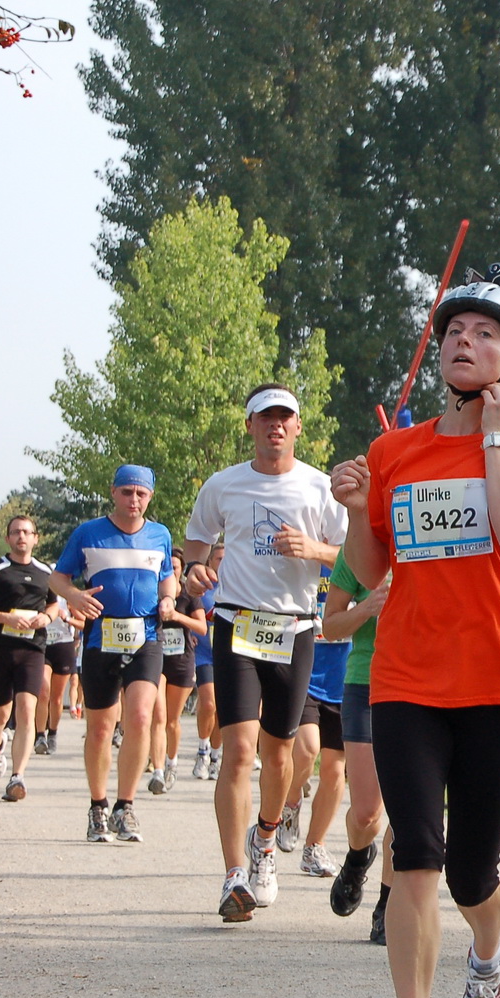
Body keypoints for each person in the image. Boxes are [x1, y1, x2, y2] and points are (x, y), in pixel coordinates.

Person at [330, 266, 500, 998]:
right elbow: (367, 566)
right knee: (415, 855)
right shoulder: (395, 448)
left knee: (472, 872)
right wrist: (357, 507)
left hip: (496, 680)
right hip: (405, 678)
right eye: (455, 332)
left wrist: (496, 438)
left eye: (486, 334)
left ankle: (490, 954)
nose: (464, 341)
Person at [182, 385, 346, 921]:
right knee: (238, 751)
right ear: (249, 425)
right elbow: (197, 552)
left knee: (283, 754)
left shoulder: (320, 487)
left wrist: (315, 550)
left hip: (295, 630)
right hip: (236, 625)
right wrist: (195, 573)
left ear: (299, 427)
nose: (275, 426)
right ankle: (233, 876)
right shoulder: (223, 485)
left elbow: (354, 560)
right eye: (265, 418)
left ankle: (266, 840)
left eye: (285, 418)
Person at [50, 467, 178, 840]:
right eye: (127, 492)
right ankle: (98, 805)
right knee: (102, 727)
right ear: (113, 493)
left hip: (146, 636)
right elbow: (57, 577)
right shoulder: (89, 533)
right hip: (100, 638)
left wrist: (168, 596)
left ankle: (126, 806)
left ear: (150, 497)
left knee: (139, 716)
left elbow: (167, 573)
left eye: (141, 493)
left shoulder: (160, 535)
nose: (133, 500)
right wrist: (73, 596)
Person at [0, 516, 65, 803]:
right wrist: (6, 617)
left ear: (36, 538)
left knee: (26, 708)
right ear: (8, 538)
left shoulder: (46, 571)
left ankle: (17, 777)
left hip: (32, 648)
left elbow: (54, 604)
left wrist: (47, 616)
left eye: (26, 532)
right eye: (15, 532)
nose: (21, 536)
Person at [322, 550, 392, 942]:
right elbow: (330, 626)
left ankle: (389, 904)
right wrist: (367, 608)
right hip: (366, 680)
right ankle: (357, 856)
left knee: (408, 810)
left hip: (421, 684)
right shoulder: (357, 551)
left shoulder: (434, 539)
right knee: (367, 812)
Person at [279, 585, 352, 879]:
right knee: (307, 750)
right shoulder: (308, 561)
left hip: (345, 679)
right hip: (305, 674)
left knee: (335, 772)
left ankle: (314, 847)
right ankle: (291, 800)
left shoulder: (361, 566)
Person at [150, 549, 208, 793]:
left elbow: (202, 628)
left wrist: (176, 616)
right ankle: (158, 771)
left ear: (181, 571)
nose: (172, 571)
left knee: (172, 720)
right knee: (158, 716)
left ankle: (172, 763)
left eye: (175, 567)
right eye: (168, 567)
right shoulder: (152, 593)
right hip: (155, 659)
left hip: (182, 661)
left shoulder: (189, 596)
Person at [187, 544, 224, 780]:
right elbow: (186, 608)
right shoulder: (202, 587)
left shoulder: (237, 585)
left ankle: (216, 756)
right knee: (208, 703)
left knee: (222, 708)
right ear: (209, 561)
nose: (224, 562)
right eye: (219, 558)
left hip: (228, 654)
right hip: (204, 654)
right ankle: (202, 750)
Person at [39, 607, 83, 754]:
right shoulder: (39, 589)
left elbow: (84, 622)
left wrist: (67, 618)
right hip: (42, 644)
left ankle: (52, 733)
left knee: (56, 698)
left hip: (63, 646)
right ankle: (40, 736)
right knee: (43, 691)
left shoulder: (67, 596)